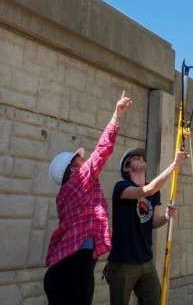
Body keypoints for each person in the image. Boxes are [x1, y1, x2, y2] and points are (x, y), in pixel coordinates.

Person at [44, 91, 133, 305]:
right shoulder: (78, 182)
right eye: (80, 160)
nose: (85, 162)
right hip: (74, 268)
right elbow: (102, 151)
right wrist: (116, 116)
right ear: (73, 170)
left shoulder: (66, 193)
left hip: (66, 268)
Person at [105, 144, 189, 305]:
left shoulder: (154, 192)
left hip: (145, 260)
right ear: (127, 168)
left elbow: (153, 222)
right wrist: (174, 165)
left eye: (142, 157)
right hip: (123, 262)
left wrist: (165, 217)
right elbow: (147, 190)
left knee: (156, 301)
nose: (141, 158)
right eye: (136, 158)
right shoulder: (121, 187)